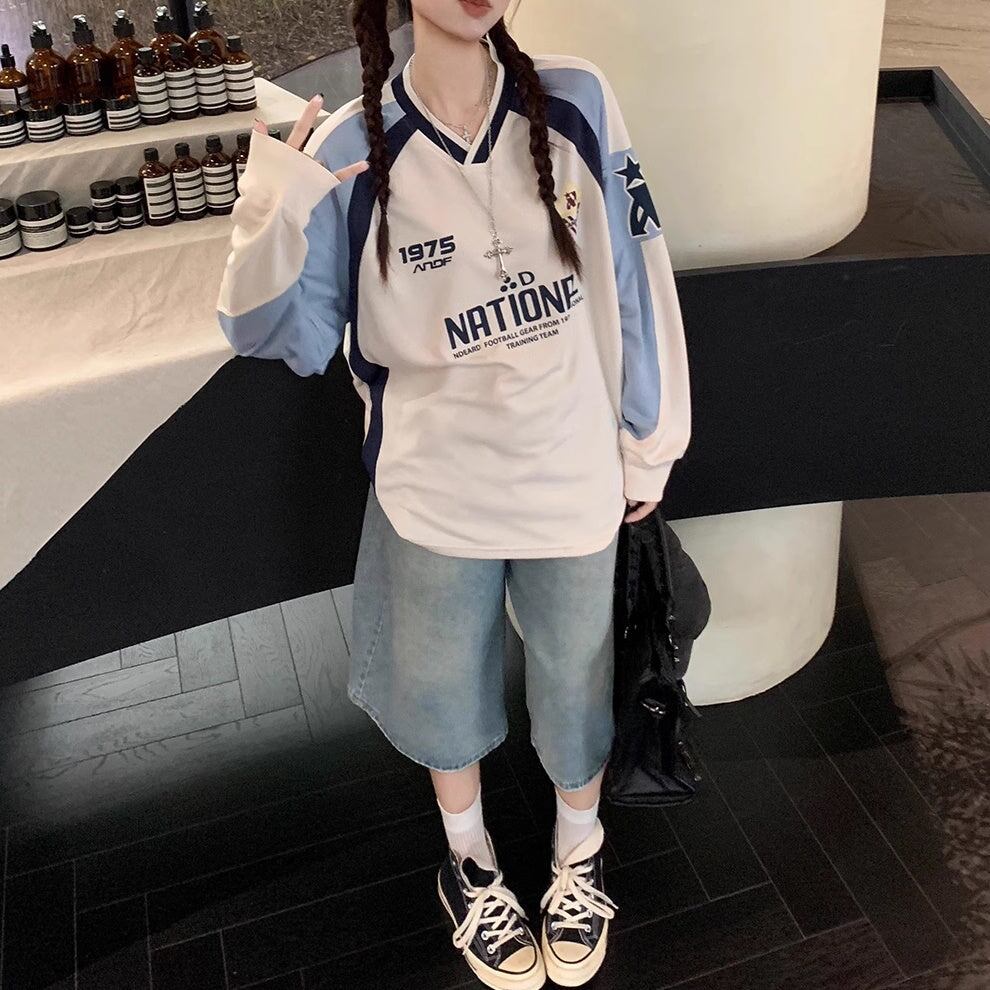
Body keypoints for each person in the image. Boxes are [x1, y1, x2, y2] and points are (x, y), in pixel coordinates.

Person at [216, 0, 691, 985]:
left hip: (569, 472)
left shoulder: (576, 100)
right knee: (443, 693)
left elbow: (636, 274)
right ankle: (471, 864)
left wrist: (650, 440)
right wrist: (274, 201)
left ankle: (579, 853)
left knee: (577, 679)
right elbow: (279, 337)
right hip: (433, 490)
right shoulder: (349, 150)